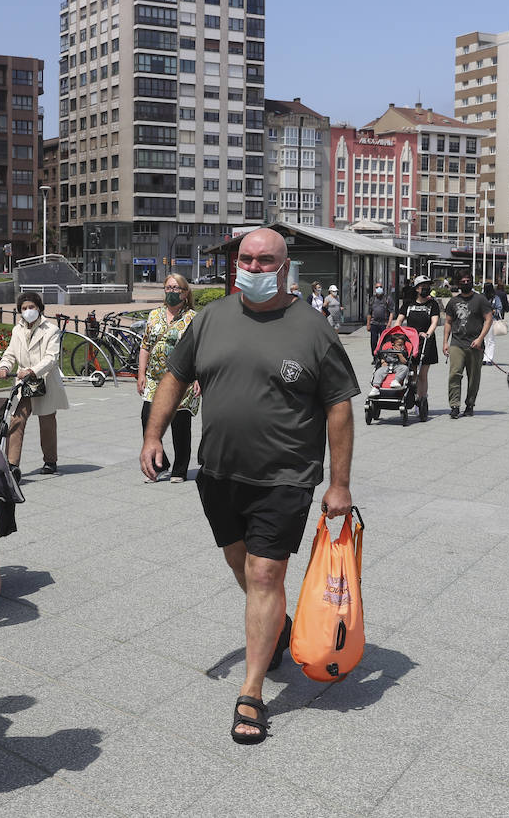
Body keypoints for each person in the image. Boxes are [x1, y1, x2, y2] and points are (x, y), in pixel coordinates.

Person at [139, 228, 356, 745]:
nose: (254, 269)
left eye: (265, 261)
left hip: (285, 477)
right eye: (247, 260)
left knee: (263, 574)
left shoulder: (313, 329)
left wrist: (339, 483)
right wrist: (153, 433)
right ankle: (276, 624)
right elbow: (174, 374)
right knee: (241, 564)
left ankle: (252, 691)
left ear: (285, 268)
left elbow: (340, 406)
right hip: (217, 473)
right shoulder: (211, 318)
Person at [0, 291, 69, 479]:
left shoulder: (50, 330)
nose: (28, 311)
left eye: (32, 307)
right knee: (16, 419)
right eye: (24, 308)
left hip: (43, 380)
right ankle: (12, 464)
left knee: (47, 422)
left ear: (39, 308)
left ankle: (50, 461)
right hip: (23, 383)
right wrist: (4, 367)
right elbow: (10, 353)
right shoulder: (17, 330)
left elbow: (51, 358)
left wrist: (32, 370)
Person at [137, 274, 199, 483]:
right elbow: (145, 345)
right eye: (169, 288)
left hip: (182, 380)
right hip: (155, 379)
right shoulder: (154, 315)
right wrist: (141, 374)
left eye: (177, 288)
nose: (172, 292)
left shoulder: (193, 318)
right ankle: (158, 465)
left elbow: (199, 351)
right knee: (148, 419)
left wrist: (199, 378)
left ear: (185, 292)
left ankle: (180, 469)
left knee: (180, 424)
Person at [390, 275, 441, 421]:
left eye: (427, 286)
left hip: (426, 342)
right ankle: (411, 395)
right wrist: (397, 332)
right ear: (417, 288)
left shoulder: (433, 304)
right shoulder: (408, 304)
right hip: (410, 342)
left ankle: (422, 399)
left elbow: (434, 322)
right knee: (411, 373)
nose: (426, 288)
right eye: (423, 286)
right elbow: (399, 320)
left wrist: (427, 334)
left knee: (422, 374)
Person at [443, 273, 493, 417]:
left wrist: (480, 338)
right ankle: (454, 405)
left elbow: (488, 319)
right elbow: (448, 322)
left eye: (468, 281)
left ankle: (470, 404)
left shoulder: (480, 300)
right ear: (458, 284)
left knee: (474, 377)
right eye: (462, 281)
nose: (465, 283)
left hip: (475, 345)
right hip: (457, 343)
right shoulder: (453, 301)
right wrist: (445, 342)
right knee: (454, 374)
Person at [368, 332, 411, 396]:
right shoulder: (387, 350)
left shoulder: (404, 352)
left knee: (405, 368)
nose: (402, 347)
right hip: (387, 365)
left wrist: (400, 355)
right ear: (393, 344)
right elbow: (382, 357)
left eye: (403, 345)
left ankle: (396, 381)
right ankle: (375, 387)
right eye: (399, 345)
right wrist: (383, 361)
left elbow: (405, 362)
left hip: (398, 365)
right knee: (379, 371)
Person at [366, 281, 392, 354]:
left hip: (384, 324)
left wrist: (389, 323)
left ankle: (383, 356)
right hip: (374, 323)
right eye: (377, 287)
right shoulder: (372, 299)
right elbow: (369, 313)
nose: (379, 289)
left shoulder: (387, 299)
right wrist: (368, 324)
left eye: (380, 287)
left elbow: (391, 312)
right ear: (375, 289)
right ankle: (375, 357)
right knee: (373, 341)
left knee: (384, 341)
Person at [481, 282, 504, 365]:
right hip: (483, 320)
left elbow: (499, 308)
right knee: (486, 340)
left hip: (491, 320)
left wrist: (492, 311)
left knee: (488, 339)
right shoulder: (482, 297)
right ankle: (484, 357)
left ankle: (488, 358)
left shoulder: (494, 298)